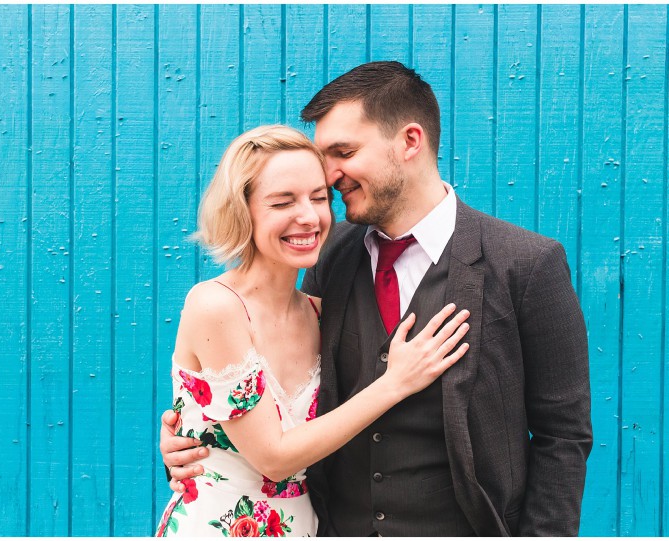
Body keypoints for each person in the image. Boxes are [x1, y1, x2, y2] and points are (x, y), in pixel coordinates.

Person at [161, 62, 593, 536]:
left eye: (343, 152)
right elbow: (270, 400)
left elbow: (563, 436)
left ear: (410, 141)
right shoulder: (329, 255)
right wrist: (197, 440)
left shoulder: (526, 264)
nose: (330, 174)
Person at [155, 124, 471, 537]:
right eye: (282, 202)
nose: (308, 217)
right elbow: (273, 457)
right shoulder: (216, 306)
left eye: (319, 198)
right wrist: (395, 382)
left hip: (307, 525)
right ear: (242, 210)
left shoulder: (323, 314)